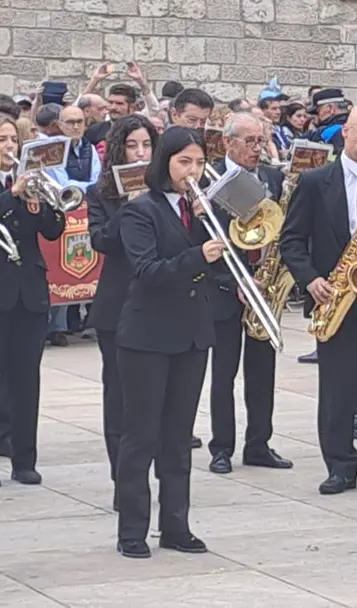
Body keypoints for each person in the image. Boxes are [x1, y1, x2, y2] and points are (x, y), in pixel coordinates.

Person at [279, 106, 357, 496]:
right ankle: (340, 466)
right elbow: (291, 240)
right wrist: (310, 279)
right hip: (333, 299)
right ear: (346, 132)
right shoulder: (315, 181)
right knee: (337, 391)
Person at [114, 128, 219, 559]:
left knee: (178, 437)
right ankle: (132, 530)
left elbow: (224, 263)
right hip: (147, 337)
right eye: (184, 162)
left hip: (191, 334)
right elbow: (148, 271)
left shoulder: (203, 210)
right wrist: (198, 254)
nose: (193, 171)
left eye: (199, 163)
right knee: (141, 437)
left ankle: (176, 525)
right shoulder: (140, 211)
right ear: (165, 163)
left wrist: (209, 223)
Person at [205, 113, 292, 475]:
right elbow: (202, 241)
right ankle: (221, 447)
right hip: (226, 288)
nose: (258, 149)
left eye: (262, 141)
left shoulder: (273, 177)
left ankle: (259, 443)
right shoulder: (208, 178)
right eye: (250, 141)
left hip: (265, 283)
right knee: (224, 373)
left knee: (262, 373)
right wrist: (234, 280)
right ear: (228, 142)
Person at [87, 115, 157, 502]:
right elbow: (101, 241)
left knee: (155, 399)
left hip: (159, 304)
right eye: (132, 146)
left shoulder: (166, 192)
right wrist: (130, 208)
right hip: (117, 305)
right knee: (118, 397)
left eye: (146, 145)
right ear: (118, 150)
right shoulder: (100, 193)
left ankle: (156, 473)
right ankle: (124, 482)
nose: (140, 153)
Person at [0, 116, 68, 485]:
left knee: (26, 380)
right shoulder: (12, 190)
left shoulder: (30, 185)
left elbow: (53, 231)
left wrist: (47, 201)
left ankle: (24, 459)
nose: (9, 146)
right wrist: (12, 195)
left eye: (13, 139)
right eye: (2, 140)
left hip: (29, 294)